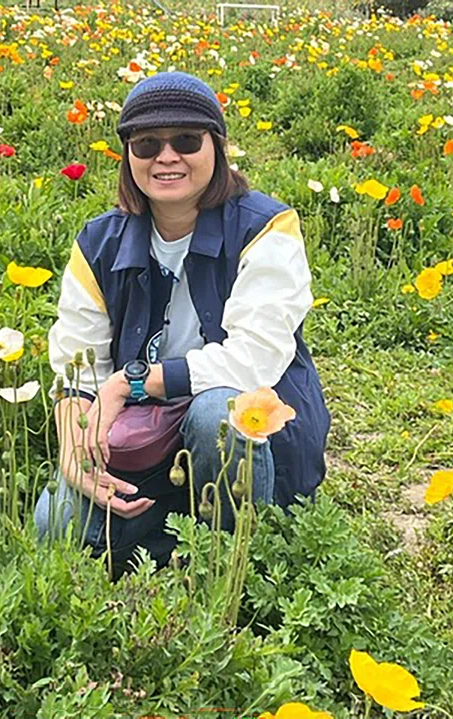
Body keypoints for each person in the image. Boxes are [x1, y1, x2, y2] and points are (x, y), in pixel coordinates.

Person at [34, 71, 330, 577]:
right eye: (147, 143)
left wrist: (133, 382)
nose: (166, 157)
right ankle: (159, 532)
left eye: (186, 140)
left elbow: (253, 360)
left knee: (219, 412)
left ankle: (236, 566)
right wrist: (73, 437)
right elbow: (77, 367)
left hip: (246, 437)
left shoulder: (267, 228)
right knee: (54, 528)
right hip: (141, 435)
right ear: (128, 155)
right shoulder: (98, 244)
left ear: (216, 146)